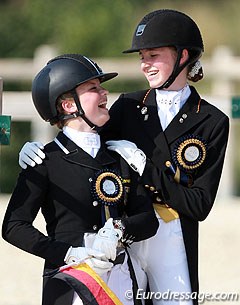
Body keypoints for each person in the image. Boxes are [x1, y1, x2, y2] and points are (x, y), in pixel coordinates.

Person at [17, 9, 229, 305]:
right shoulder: (128, 105)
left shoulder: (210, 120)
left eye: (152, 55)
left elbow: (199, 205)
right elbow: (84, 147)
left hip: (171, 237)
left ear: (182, 57)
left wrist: (145, 166)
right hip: (124, 236)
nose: (145, 65)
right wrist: (40, 152)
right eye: (142, 57)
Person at [2, 54, 159, 305]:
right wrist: (67, 253)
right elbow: (14, 226)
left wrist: (119, 230)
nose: (104, 92)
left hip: (121, 284)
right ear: (68, 105)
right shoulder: (45, 161)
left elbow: (148, 220)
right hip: (71, 282)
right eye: (93, 88)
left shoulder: (119, 158)